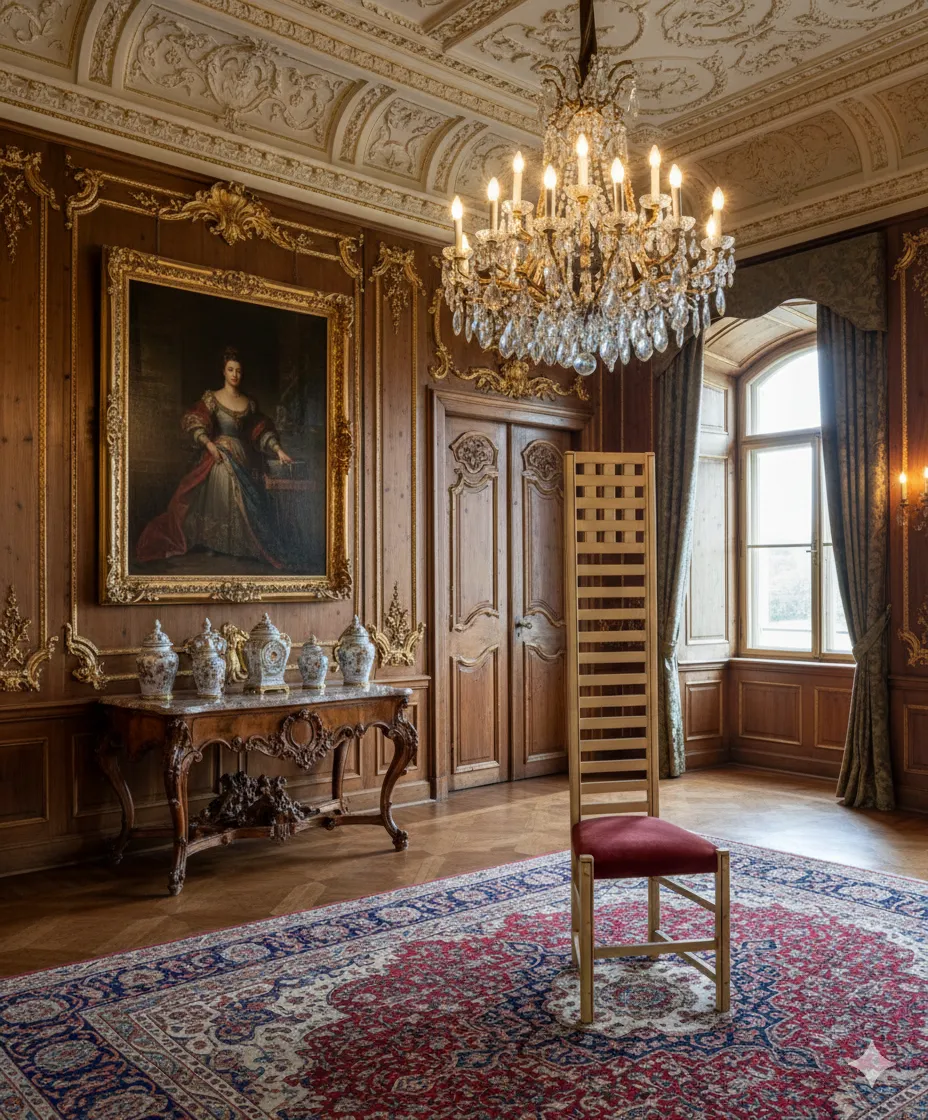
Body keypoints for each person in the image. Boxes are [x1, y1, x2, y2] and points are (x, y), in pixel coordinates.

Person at [136, 347, 293, 569]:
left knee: (249, 505)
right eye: (231, 370)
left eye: (238, 370)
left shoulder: (250, 403)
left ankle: (239, 546)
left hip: (243, 460)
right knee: (219, 489)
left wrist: (278, 450)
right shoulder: (212, 398)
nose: (235, 375)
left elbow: (259, 431)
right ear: (224, 371)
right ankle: (212, 542)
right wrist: (209, 445)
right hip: (218, 457)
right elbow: (195, 420)